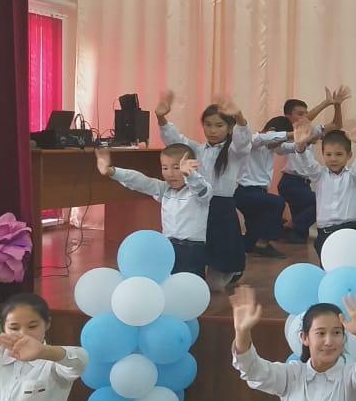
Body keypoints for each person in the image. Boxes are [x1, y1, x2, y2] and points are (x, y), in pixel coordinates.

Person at [155, 91, 252, 291]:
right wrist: (161, 117)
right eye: (208, 125)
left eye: (219, 125)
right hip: (197, 205)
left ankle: (230, 270)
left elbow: (243, 142)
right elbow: (175, 140)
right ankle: (195, 274)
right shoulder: (197, 149)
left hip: (221, 207)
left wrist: (239, 116)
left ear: (230, 127)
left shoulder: (233, 152)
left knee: (218, 272)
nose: (212, 130)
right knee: (197, 248)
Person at [96, 145, 212, 276]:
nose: (170, 173)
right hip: (167, 245)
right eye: (165, 168)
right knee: (167, 280)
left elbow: (200, 188)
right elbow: (141, 181)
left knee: (190, 283)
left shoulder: (199, 192)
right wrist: (111, 171)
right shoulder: (165, 189)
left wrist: (190, 175)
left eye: (177, 167)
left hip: (192, 249)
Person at [275, 88, 350, 244]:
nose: (304, 116)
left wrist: (337, 105)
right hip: (290, 182)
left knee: (299, 237)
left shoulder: (311, 131)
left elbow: (336, 125)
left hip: (304, 183)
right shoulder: (286, 132)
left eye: (306, 113)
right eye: (300, 113)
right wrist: (325, 103)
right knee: (321, 202)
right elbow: (301, 124)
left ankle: (288, 230)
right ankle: (287, 225)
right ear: (288, 117)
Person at [289, 123, 356, 260]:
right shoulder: (319, 175)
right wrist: (300, 145)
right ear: (322, 155)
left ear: (349, 155)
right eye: (328, 154)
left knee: (350, 263)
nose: (333, 159)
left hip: (349, 230)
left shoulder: (353, 176)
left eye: (339, 154)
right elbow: (307, 163)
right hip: (325, 233)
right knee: (329, 265)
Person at [237, 116, 290, 259]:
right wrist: (290, 134)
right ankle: (263, 244)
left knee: (253, 233)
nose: (278, 145)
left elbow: (293, 147)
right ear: (271, 131)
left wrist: (305, 138)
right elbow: (261, 138)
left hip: (258, 192)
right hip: (244, 192)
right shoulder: (253, 140)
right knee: (277, 202)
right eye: (279, 140)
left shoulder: (270, 147)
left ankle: (249, 244)